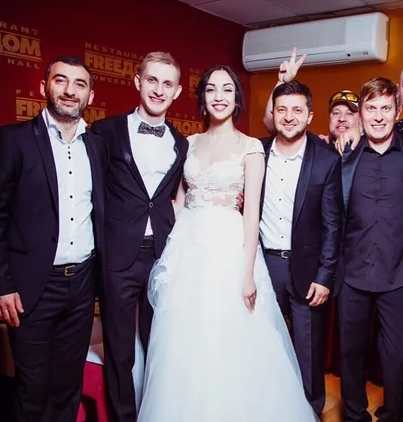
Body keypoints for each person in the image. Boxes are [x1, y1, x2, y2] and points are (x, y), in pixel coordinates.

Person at [136, 65, 318, 422]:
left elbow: (251, 214)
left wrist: (247, 272)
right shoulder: (188, 144)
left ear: (237, 98)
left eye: (227, 90)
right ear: (202, 98)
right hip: (188, 249)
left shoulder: (251, 148)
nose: (219, 97)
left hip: (229, 250)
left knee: (231, 339)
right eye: (211, 90)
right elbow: (178, 202)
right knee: (185, 340)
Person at [0, 56, 108, 422]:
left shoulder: (98, 147)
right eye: (61, 80)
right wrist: (0, 285)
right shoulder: (11, 140)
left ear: (90, 96)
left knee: (68, 388)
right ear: (43, 87)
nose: (70, 90)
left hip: (82, 285)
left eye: (79, 84)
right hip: (32, 287)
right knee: (33, 391)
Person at [90, 52, 188, 422]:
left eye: (167, 83)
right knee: (120, 350)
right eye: (152, 80)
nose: (159, 90)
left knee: (158, 344)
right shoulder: (105, 132)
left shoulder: (181, 144)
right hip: (117, 255)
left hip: (162, 255)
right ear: (137, 82)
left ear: (177, 92)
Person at [260, 80, 343, 415]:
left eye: (297, 110)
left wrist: (325, 276)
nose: (289, 116)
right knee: (263, 344)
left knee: (308, 351)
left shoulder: (326, 160)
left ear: (309, 116)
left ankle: (309, 412)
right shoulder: (256, 153)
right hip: (263, 265)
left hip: (307, 270)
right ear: (273, 114)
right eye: (282, 109)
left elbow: (333, 225)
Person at [337, 77, 403, 422]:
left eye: (386, 108)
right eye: (371, 108)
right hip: (352, 272)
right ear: (361, 113)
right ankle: (354, 415)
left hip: (399, 273)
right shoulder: (344, 155)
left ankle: (392, 414)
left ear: (397, 111)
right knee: (350, 353)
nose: (379, 116)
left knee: (397, 356)